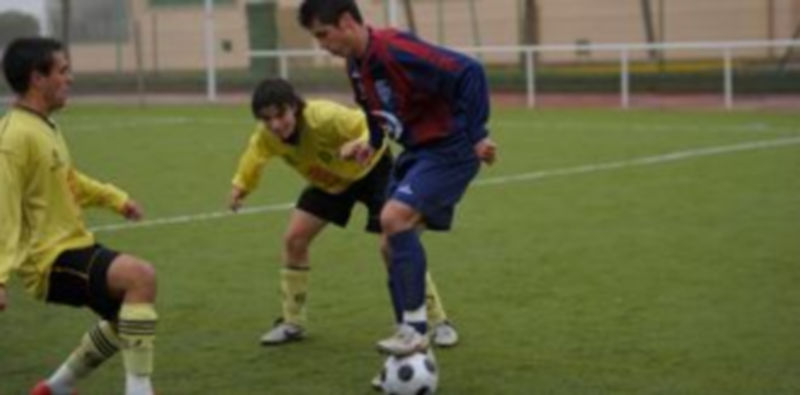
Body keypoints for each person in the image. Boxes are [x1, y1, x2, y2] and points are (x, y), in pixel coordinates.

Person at [298, 0, 497, 356]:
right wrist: (371, 143)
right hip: (417, 152)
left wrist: (478, 134)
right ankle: (409, 340)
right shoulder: (355, 64)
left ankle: (416, 330)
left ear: (346, 21)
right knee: (389, 245)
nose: (322, 45)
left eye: (324, 34)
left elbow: (470, 71)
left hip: (449, 149)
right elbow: (374, 110)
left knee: (393, 218)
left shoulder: (395, 48)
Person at [229, 78, 459, 347]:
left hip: (373, 170)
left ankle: (437, 321)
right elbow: (254, 155)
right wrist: (241, 186)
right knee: (294, 239)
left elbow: (368, 124)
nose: (276, 125)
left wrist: (361, 143)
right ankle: (293, 322)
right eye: (267, 119)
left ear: (294, 106)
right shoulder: (267, 136)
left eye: (280, 115)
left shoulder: (324, 117)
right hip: (331, 183)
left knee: (393, 245)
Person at [0, 38, 158, 395]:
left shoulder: (44, 127)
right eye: (63, 70)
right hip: (47, 259)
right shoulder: (13, 137)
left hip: (71, 245)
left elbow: (69, 181)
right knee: (140, 277)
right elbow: (3, 208)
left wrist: (117, 199)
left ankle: (55, 388)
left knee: (128, 318)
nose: (70, 78)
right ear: (37, 78)